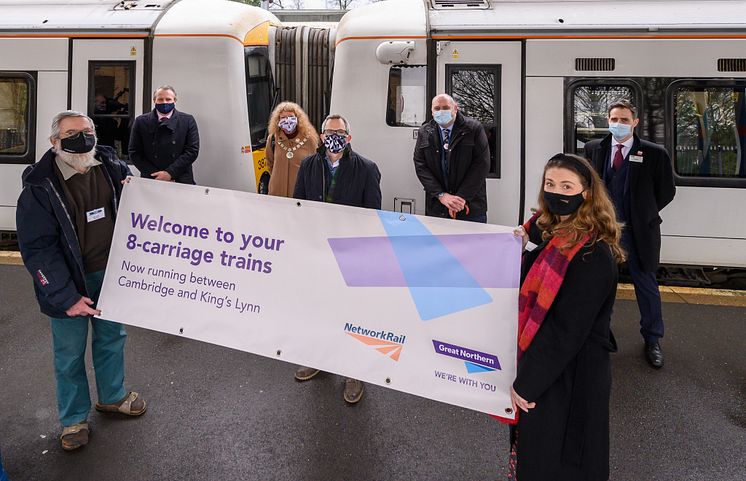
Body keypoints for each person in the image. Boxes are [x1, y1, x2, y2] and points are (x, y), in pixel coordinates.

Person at [16, 111, 147, 451]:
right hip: (69, 283)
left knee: (111, 338)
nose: (82, 138)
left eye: (87, 131)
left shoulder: (111, 167)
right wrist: (65, 297)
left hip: (111, 274)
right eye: (72, 133)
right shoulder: (40, 186)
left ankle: (112, 396)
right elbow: (38, 250)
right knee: (69, 354)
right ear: (54, 142)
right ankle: (74, 420)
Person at [509, 153, 623, 481]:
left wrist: (526, 383)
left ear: (586, 193)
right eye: (549, 184)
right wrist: (519, 244)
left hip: (572, 377)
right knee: (539, 451)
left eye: (566, 185)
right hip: (550, 369)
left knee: (561, 460)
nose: (556, 191)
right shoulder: (549, 234)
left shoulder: (593, 253)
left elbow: (565, 331)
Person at [293, 114, 382, 404]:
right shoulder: (308, 165)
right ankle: (320, 358)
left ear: (349, 137)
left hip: (350, 255)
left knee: (351, 313)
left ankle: (353, 372)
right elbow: (299, 205)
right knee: (319, 308)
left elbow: (372, 216)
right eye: (329, 132)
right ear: (320, 136)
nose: (334, 136)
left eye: (340, 132)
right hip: (318, 251)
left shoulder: (367, 169)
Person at [585, 99, 676, 368]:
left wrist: (644, 212)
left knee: (646, 285)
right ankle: (600, 335)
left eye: (624, 120)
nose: (618, 124)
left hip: (639, 233)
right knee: (601, 284)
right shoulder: (594, 149)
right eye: (614, 119)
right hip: (603, 231)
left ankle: (652, 338)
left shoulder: (654, 153)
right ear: (607, 121)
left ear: (635, 123)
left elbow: (667, 191)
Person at [413, 93, 490, 222]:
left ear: (455, 108)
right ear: (432, 112)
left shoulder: (473, 129)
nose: (441, 111)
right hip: (438, 208)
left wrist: (459, 199)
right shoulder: (424, 132)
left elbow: (482, 165)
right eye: (437, 108)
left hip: (469, 208)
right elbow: (420, 165)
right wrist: (442, 195)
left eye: (446, 107)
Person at [129, 84, 199, 184]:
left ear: (175, 101)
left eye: (168, 99)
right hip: (151, 178)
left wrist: (170, 173)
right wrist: (156, 175)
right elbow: (134, 153)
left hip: (181, 178)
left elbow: (192, 151)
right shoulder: (141, 121)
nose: (164, 102)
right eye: (160, 99)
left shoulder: (187, 120)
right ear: (154, 101)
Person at [265, 101, 319, 197]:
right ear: (277, 121)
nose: (287, 120)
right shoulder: (272, 138)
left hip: (300, 194)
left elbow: (314, 166)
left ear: (298, 119)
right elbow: (270, 162)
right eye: (283, 117)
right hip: (276, 193)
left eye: (291, 117)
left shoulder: (309, 139)